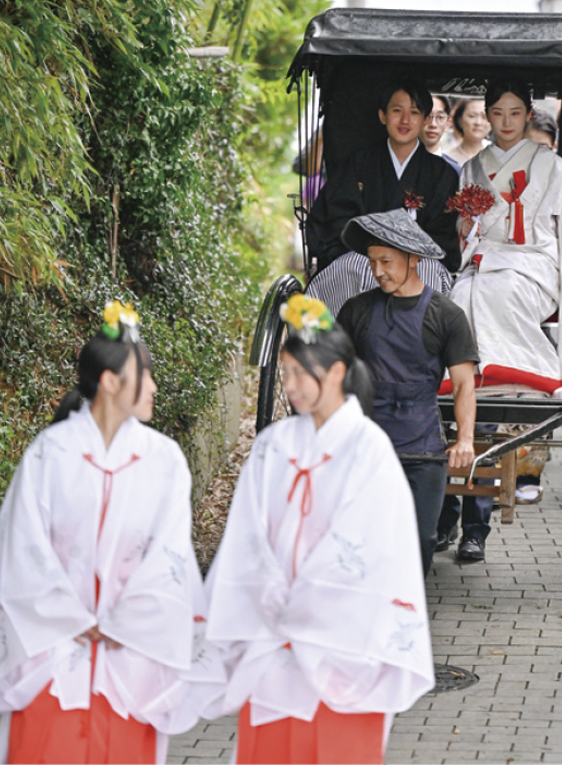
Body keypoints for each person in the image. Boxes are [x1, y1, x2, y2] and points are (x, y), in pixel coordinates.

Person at [202, 295, 434, 765]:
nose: (289, 386)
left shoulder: (369, 449)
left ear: (334, 374)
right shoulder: (272, 446)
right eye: (284, 373)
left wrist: (302, 601)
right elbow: (246, 535)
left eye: (298, 374)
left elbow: (373, 549)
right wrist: (269, 595)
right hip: (272, 632)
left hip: (344, 642)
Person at [0, 302, 220, 765]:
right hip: (52, 655)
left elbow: (169, 558)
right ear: (112, 382)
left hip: (130, 657)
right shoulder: (50, 455)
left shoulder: (165, 461)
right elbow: (21, 549)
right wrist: (72, 617)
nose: (154, 386)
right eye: (146, 374)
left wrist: (121, 619)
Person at [449, 78, 562, 395]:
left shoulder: (550, 164)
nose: (506, 122)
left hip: (533, 260)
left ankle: (525, 373)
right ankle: (469, 376)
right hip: (486, 258)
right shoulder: (473, 167)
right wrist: (464, 227)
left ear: (528, 114)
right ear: (487, 115)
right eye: (498, 113)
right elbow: (464, 221)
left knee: (505, 290)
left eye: (515, 113)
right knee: (459, 296)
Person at [335, 210, 479, 568]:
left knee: (419, 542)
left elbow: (463, 385)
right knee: (364, 542)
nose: (378, 270)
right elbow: (333, 375)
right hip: (367, 443)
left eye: (386, 261)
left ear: (413, 258)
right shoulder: (357, 310)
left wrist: (464, 440)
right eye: (372, 262)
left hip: (422, 447)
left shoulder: (447, 315)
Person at [305, 81, 460, 316]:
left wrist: (403, 255)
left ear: (425, 119)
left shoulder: (441, 173)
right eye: (397, 111)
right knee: (350, 268)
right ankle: (337, 346)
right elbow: (337, 217)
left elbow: (442, 232)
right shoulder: (358, 164)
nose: (405, 120)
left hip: (417, 261)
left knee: (429, 273)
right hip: (362, 256)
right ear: (382, 116)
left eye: (414, 113)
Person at [421, 95, 460, 175]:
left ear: (448, 124)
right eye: (427, 117)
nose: (433, 124)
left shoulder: (454, 171)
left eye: (440, 117)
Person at [447, 96, 490, 166]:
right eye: (472, 116)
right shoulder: (448, 159)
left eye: (484, 117)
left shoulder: (499, 154)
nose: (478, 122)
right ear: (459, 120)